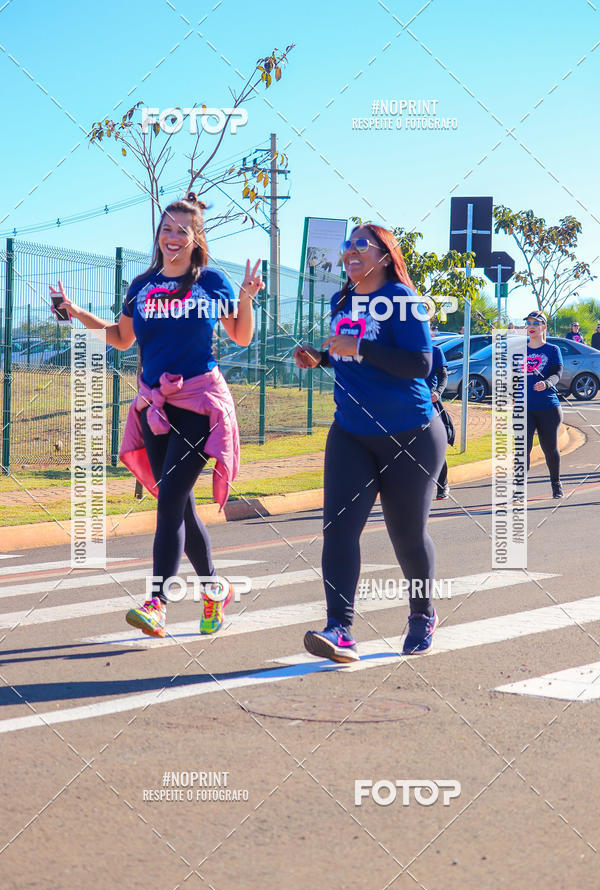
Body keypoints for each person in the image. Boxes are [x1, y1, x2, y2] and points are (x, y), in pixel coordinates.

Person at [50, 193, 264, 638]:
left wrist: (245, 298)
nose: (172, 237)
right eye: (166, 229)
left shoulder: (212, 283)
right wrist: (75, 314)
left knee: (168, 500)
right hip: (154, 408)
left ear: (196, 237)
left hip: (200, 403)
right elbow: (122, 338)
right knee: (179, 505)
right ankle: (214, 590)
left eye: (182, 231)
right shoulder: (142, 285)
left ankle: (157, 602)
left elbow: (241, 336)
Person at [293, 224, 447, 662]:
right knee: (338, 529)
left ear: (384, 254)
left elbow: (419, 363)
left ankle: (422, 614)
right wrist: (322, 357)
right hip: (351, 432)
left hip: (410, 434)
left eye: (362, 245)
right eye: (347, 246)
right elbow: (351, 357)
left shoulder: (404, 300)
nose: (351, 252)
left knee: (406, 534)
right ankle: (339, 628)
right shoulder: (341, 299)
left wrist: (358, 346)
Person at [525, 311, 564, 499]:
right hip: (524, 408)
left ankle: (556, 485)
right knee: (522, 448)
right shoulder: (519, 349)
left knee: (549, 448)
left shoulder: (552, 350)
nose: (531, 326)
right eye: (528, 322)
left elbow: (557, 373)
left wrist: (547, 383)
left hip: (548, 407)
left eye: (536, 322)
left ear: (544, 327)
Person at [426, 331, 451, 500]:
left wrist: (437, 392)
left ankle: (443, 484)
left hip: (430, 404)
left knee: (434, 447)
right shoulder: (402, 352)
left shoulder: (435, 351)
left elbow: (443, 376)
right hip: (406, 407)